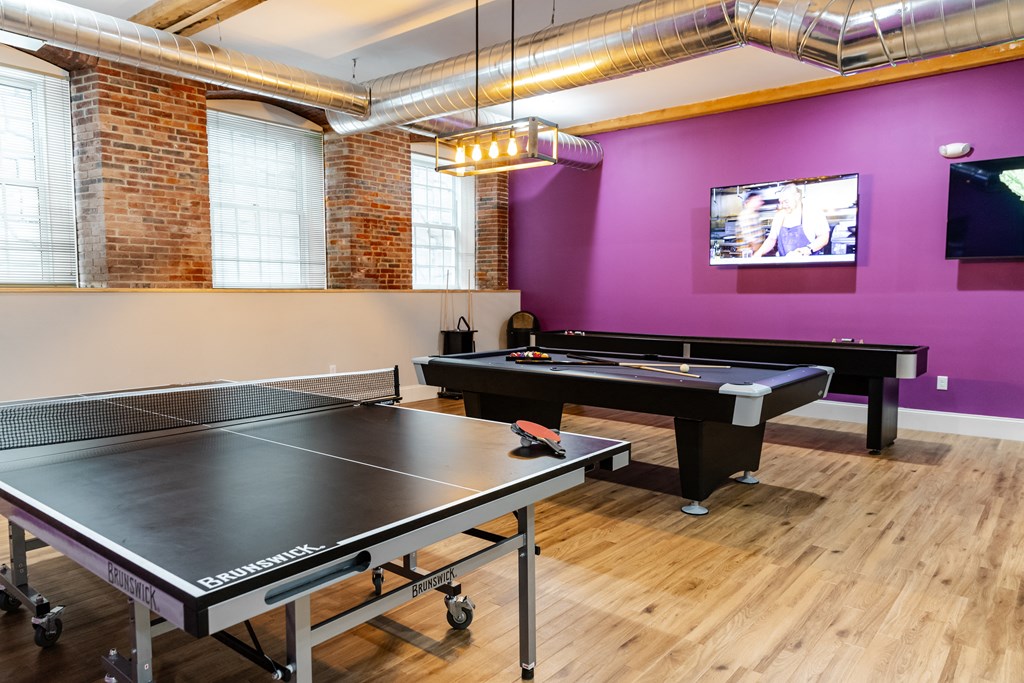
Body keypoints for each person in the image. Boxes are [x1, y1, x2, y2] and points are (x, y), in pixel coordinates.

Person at [751, 184, 831, 258]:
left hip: (808, 266)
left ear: (797, 196)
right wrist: (759, 253)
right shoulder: (779, 216)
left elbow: (824, 237)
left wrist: (806, 250)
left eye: (786, 201)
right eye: (781, 202)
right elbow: (771, 239)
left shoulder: (813, 212)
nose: (783, 206)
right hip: (784, 266)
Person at [734, 190, 767, 257]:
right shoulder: (746, 215)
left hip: (755, 254)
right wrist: (761, 252)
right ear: (750, 200)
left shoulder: (755, 215)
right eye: (758, 200)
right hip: (749, 255)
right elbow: (751, 240)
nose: (762, 203)